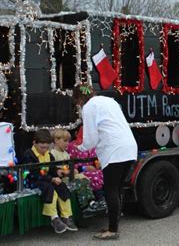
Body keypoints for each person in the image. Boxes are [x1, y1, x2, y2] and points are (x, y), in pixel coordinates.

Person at [72, 84, 137, 240]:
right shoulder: (109, 100)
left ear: (80, 99)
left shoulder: (88, 107)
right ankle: (113, 223)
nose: (78, 105)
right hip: (129, 147)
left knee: (110, 190)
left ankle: (112, 229)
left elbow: (91, 138)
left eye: (77, 102)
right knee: (118, 188)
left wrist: (79, 147)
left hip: (114, 151)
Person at [21, 129, 78, 233]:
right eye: (42, 147)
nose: (44, 150)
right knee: (49, 188)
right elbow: (33, 173)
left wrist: (58, 172)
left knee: (62, 186)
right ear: (34, 143)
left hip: (46, 179)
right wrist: (51, 179)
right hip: (32, 180)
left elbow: (52, 169)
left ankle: (67, 216)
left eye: (47, 147)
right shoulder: (28, 155)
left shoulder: (49, 155)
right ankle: (54, 218)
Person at [51, 129, 95, 211]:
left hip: (69, 176)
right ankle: (84, 205)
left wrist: (73, 170)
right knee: (79, 182)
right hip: (62, 179)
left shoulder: (66, 154)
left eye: (68, 141)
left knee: (84, 178)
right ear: (56, 140)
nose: (67, 143)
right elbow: (55, 169)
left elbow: (68, 166)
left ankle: (91, 200)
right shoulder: (53, 153)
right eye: (65, 141)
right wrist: (67, 171)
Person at [67, 127, 106, 216]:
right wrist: (84, 168)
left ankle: (103, 200)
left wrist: (97, 164)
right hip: (80, 171)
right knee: (94, 176)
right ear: (77, 133)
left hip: (93, 170)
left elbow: (95, 159)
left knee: (101, 173)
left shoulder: (91, 146)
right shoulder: (71, 146)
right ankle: (100, 200)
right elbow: (71, 163)